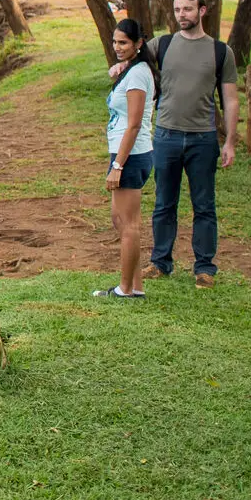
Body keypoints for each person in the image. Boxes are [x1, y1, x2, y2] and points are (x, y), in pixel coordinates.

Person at [115, 0, 239, 288]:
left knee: (204, 205)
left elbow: (231, 99)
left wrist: (231, 141)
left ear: (202, 11)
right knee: (163, 203)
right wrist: (122, 64)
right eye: (177, 10)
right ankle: (160, 262)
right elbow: (137, 55)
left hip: (203, 139)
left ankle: (204, 267)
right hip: (167, 136)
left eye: (187, 9)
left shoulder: (220, 51)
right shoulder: (164, 45)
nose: (181, 15)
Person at [94, 18, 155, 300]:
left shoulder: (139, 75)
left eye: (124, 43)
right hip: (125, 153)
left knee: (127, 223)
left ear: (138, 44)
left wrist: (117, 165)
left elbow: (133, 125)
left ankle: (125, 289)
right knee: (123, 221)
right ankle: (136, 285)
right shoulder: (132, 70)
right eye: (115, 42)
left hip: (131, 155)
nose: (117, 47)